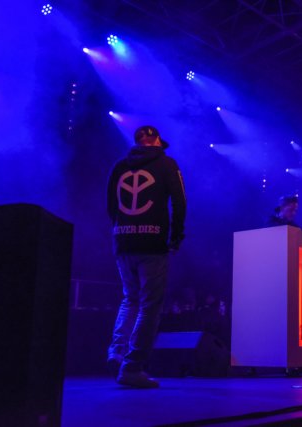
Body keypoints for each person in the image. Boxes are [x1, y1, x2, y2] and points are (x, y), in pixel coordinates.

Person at [106, 125, 186, 388]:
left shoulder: (119, 166)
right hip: (152, 243)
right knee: (150, 306)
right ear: (157, 142)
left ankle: (117, 351)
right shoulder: (167, 163)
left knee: (129, 298)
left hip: (123, 241)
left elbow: (111, 205)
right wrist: (176, 236)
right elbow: (180, 202)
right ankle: (132, 368)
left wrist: (122, 230)